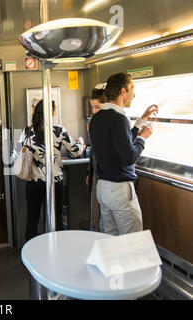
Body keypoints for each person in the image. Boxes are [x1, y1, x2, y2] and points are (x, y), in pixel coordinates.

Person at [89, 73, 158, 235]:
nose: (134, 95)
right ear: (123, 91)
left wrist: (141, 121)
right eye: (132, 90)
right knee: (132, 243)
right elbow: (129, 157)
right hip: (120, 190)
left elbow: (120, 142)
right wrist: (142, 137)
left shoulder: (97, 119)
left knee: (111, 240)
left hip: (103, 188)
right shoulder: (119, 119)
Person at [14, 100, 85, 240]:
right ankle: (56, 251)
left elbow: (16, 154)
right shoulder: (59, 130)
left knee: (32, 219)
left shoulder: (27, 131)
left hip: (33, 182)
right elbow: (75, 152)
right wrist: (81, 142)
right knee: (56, 218)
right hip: (54, 182)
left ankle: (30, 253)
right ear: (52, 112)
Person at [85, 88, 106, 232]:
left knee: (103, 216)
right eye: (93, 107)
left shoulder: (110, 124)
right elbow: (94, 151)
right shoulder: (95, 124)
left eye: (97, 107)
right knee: (96, 214)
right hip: (96, 174)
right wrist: (90, 172)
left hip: (104, 176)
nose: (94, 111)